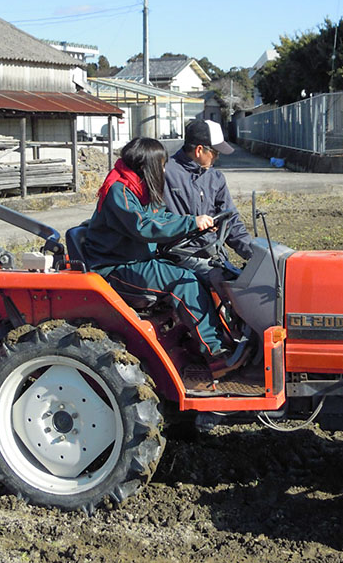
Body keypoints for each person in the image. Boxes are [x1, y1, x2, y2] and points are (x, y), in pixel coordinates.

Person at [84, 136, 247, 376]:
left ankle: (214, 340)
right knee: (183, 283)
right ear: (146, 165)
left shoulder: (138, 187)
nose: (163, 169)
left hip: (138, 257)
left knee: (204, 274)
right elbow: (144, 226)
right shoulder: (119, 191)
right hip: (115, 265)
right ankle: (216, 356)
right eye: (160, 164)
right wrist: (191, 221)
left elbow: (161, 216)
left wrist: (194, 224)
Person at [163, 119, 255, 282]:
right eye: (215, 152)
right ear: (199, 150)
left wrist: (253, 254)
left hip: (214, 255)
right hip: (181, 256)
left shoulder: (215, 178)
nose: (217, 157)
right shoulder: (165, 174)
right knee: (223, 284)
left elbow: (231, 219)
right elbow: (155, 220)